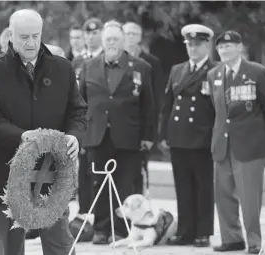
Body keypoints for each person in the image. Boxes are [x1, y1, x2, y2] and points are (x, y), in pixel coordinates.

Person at [0, 9, 87, 255]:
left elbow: (77, 112)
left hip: (52, 172)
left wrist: (75, 136)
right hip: (6, 173)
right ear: (10, 36)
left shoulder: (62, 68)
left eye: (36, 36)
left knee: (60, 246)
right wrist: (22, 136)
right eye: (24, 37)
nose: (31, 42)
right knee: (10, 249)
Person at [79, 20, 155, 244]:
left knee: (125, 184)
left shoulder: (141, 67)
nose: (111, 43)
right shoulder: (88, 66)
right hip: (97, 135)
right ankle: (102, 229)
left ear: (123, 42)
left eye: (116, 39)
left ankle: (121, 229)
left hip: (128, 136)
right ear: (102, 42)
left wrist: (149, 136)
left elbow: (149, 105)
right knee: (99, 184)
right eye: (108, 39)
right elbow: (80, 102)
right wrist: (80, 135)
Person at [208, 31, 265, 254]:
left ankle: (254, 241)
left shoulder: (257, 72)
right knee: (223, 195)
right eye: (221, 47)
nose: (225, 50)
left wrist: (257, 134)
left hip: (249, 145)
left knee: (249, 198)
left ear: (240, 48)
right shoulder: (214, 74)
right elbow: (217, 109)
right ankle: (232, 238)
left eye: (230, 46)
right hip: (222, 145)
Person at [159, 24, 217, 247]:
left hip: (202, 138)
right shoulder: (178, 70)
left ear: (206, 45)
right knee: (182, 186)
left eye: (197, 44)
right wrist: (163, 133)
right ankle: (185, 231)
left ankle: (203, 232)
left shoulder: (214, 70)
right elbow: (168, 104)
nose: (193, 49)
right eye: (190, 45)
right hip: (179, 136)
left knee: (203, 187)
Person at [123, 21, 165, 195]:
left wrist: (151, 132)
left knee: (138, 171)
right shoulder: (116, 59)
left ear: (140, 37)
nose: (130, 37)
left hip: (141, 125)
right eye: (127, 33)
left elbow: (155, 99)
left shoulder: (151, 62)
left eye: (134, 33)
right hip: (121, 122)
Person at [72, 18, 104, 219]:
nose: (91, 37)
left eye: (94, 33)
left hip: (100, 123)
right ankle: (84, 215)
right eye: (88, 33)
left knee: (97, 172)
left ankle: (99, 215)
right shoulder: (78, 61)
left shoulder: (105, 59)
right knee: (83, 172)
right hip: (82, 122)